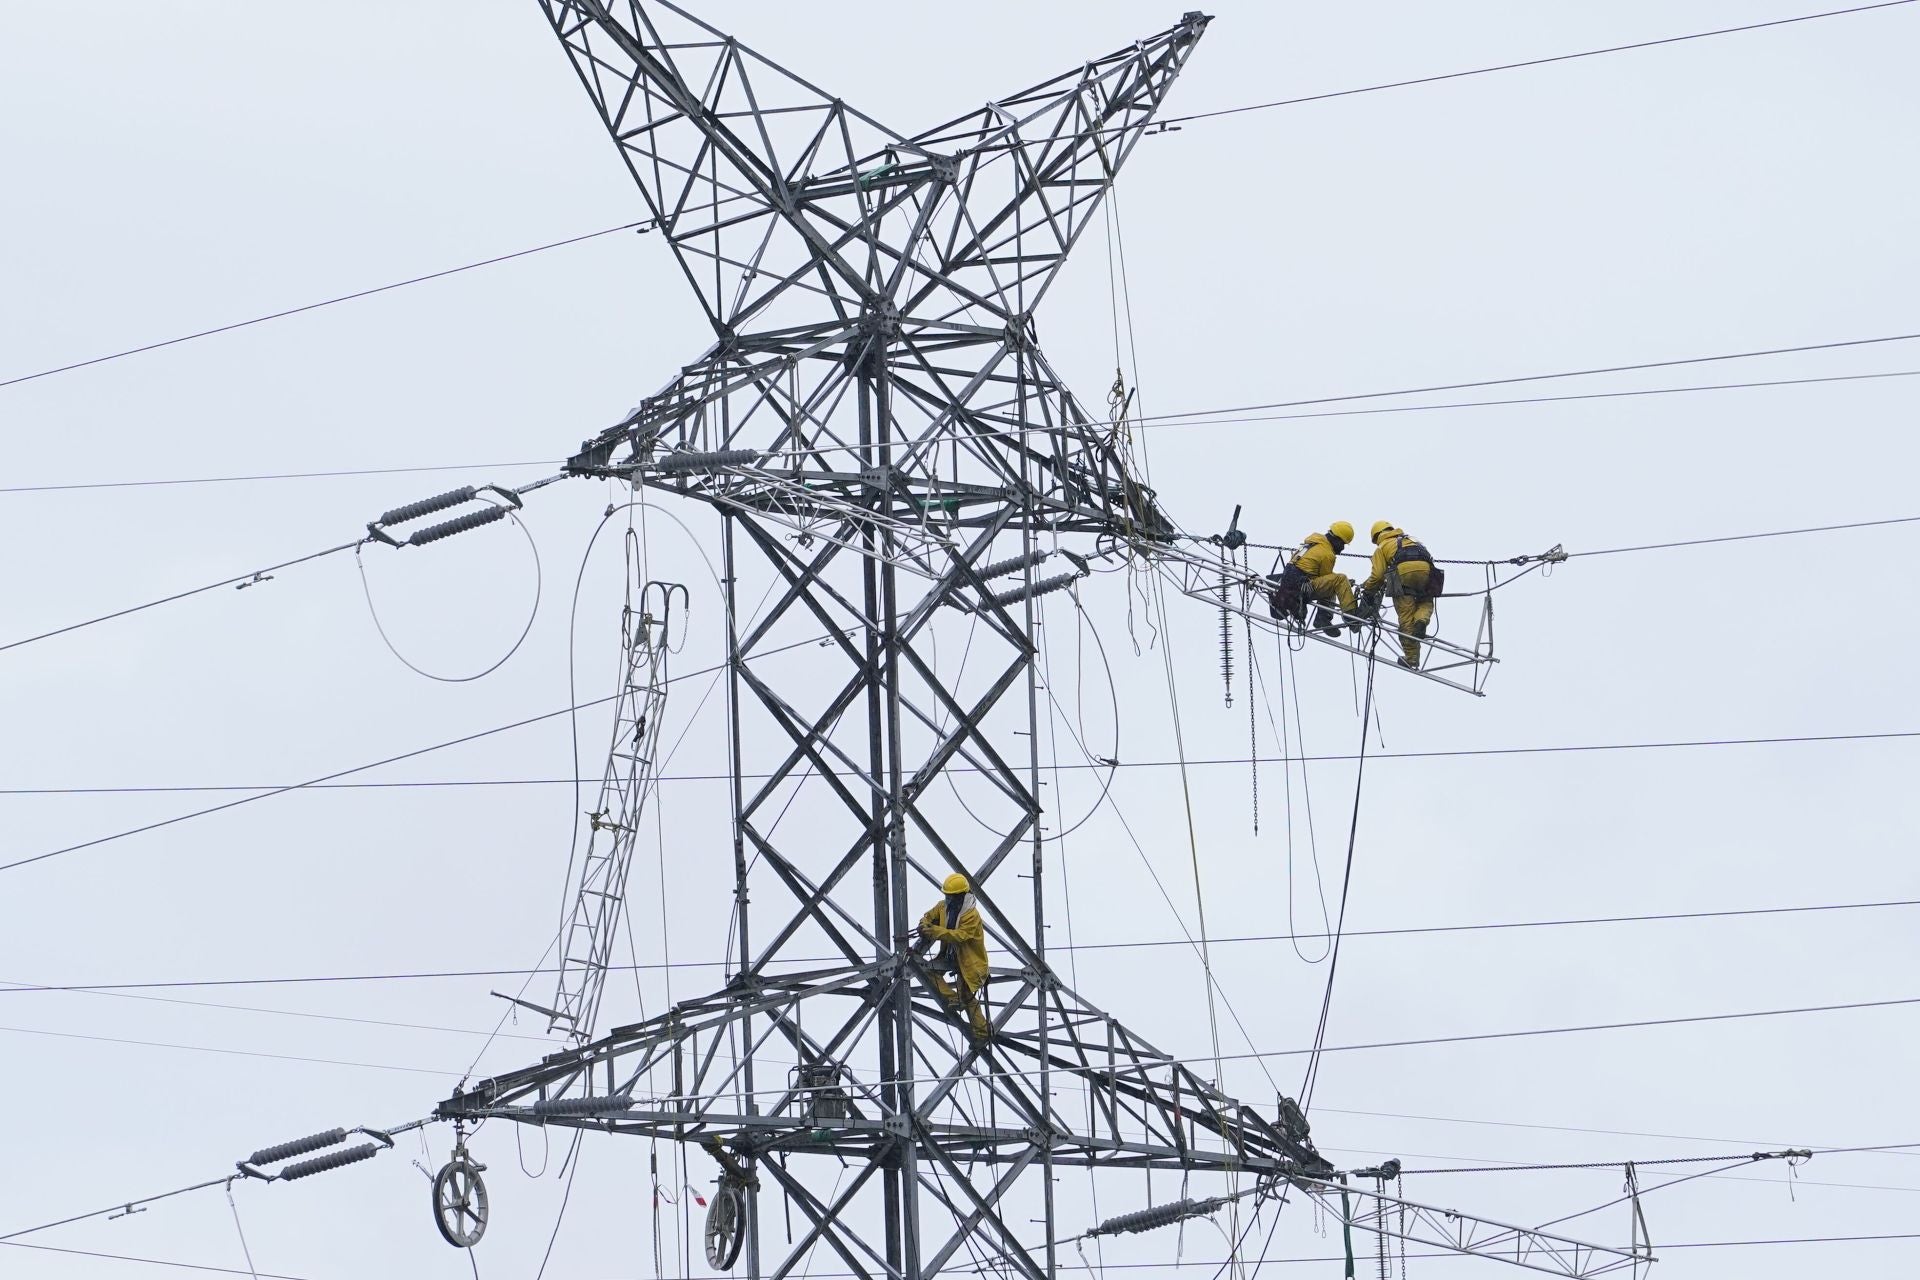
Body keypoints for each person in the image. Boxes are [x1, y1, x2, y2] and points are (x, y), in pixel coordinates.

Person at [916, 872, 990, 1040]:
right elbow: (929, 916)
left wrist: (934, 931)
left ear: (961, 895)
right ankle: (953, 999)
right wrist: (924, 924)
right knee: (929, 972)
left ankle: (983, 1033)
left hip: (969, 961)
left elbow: (961, 936)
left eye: (951, 896)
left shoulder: (971, 914)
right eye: (946, 895)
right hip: (950, 955)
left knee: (968, 997)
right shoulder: (943, 907)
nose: (948, 899)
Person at [1360, 521, 1443, 669]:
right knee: (1426, 602)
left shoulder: (1382, 546)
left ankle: (1411, 659)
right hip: (1426, 572)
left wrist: (1368, 591)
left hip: (1404, 575)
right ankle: (1422, 620)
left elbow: (1378, 575)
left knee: (1406, 618)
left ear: (1377, 536)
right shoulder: (1412, 540)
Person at [1268, 521, 1360, 635]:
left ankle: (1322, 618)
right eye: (1343, 544)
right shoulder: (1327, 554)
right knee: (1339, 580)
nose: (1342, 548)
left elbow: (1324, 578)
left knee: (1335, 582)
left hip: (1291, 583)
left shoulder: (1312, 543)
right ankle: (1350, 617)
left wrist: (1342, 585)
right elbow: (1328, 580)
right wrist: (1343, 585)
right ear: (1337, 539)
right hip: (1302, 587)